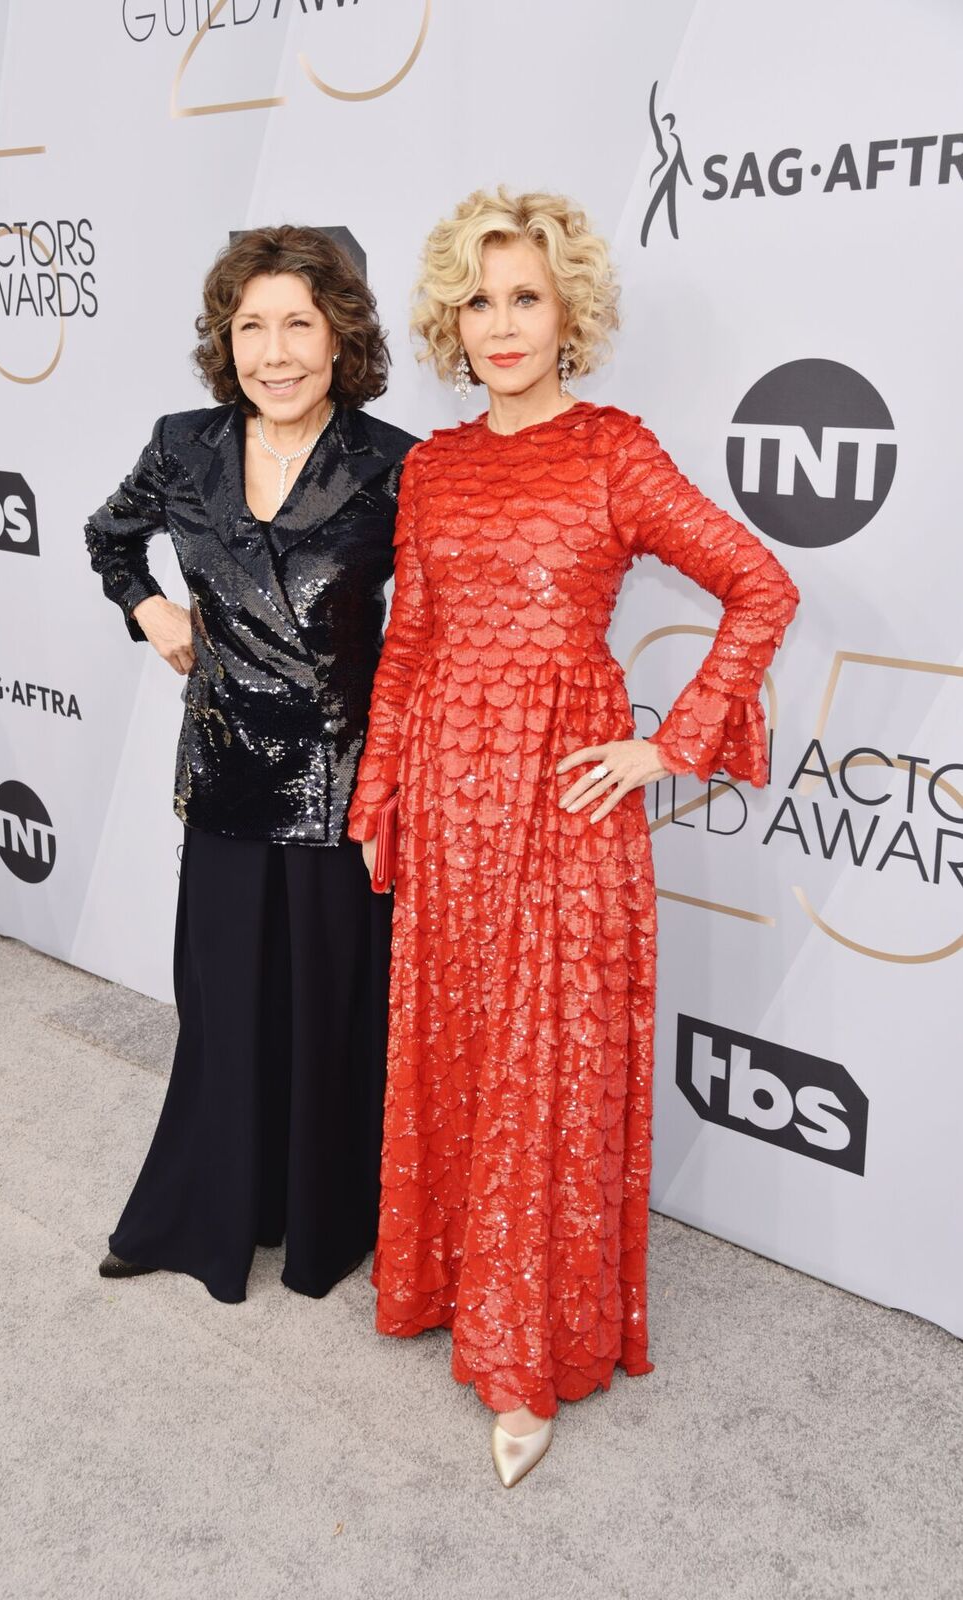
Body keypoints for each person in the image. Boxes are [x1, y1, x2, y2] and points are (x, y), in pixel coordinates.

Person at [347, 189, 799, 1486]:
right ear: (451, 314)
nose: (498, 325)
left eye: (524, 298)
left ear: (568, 313)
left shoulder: (611, 451)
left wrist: (673, 738)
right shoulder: (429, 466)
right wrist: (380, 792)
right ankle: (444, 1287)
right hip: (445, 796)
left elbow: (757, 583)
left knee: (543, 1071)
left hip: (562, 806)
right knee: (450, 1043)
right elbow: (411, 645)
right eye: (478, 300)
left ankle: (525, 1358)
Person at [85, 226, 417, 1304]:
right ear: (225, 342)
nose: (273, 352)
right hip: (225, 775)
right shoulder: (182, 445)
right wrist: (147, 606)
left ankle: (325, 1222)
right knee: (223, 1007)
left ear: (340, 339)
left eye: (298, 325)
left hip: (342, 784)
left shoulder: (396, 462)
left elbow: (433, 623)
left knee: (328, 1014)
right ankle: (204, 1206)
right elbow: (108, 534)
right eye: (250, 327)